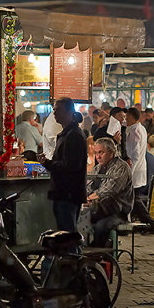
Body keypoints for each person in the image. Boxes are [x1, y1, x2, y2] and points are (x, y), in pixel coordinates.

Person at [39, 97, 87, 232]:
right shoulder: (66, 133)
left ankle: (74, 254)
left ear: (69, 113)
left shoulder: (73, 135)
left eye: (58, 110)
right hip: (63, 193)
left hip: (68, 194)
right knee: (66, 233)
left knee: (68, 234)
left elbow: (70, 166)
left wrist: (47, 163)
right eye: (54, 110)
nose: (55, 113)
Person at [86, 138, 133, 247]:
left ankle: (99, 255)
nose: (98, 156)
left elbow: (110, 190)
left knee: (100, 227)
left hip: (118, 213)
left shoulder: (121, 167)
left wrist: (90, 198)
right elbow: (88, 185)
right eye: (96, 153)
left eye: (101, 152)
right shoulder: (97, 168)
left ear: (111, 152)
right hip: (99, 210)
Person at [125, 107, 154, 229]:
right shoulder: (140, 128)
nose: (126, 119)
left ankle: (150, 222)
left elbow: (135, 154)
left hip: (136, 168)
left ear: (132, 117)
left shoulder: (136, 131)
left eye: (127, 117)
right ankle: (148, 223)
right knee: (133, 197)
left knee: (134, 197)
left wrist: (130, 171)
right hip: (138, 168)